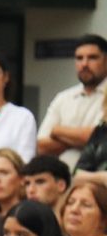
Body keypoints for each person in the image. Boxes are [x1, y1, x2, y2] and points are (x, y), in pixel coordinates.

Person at [36, 34, 107, 170]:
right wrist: (81, 139)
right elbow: (42, 146)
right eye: (79, 58)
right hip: (62, 182)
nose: (84, 64)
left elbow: (101, 140)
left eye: (92, 57)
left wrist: (58, 130)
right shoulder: (63, 98)